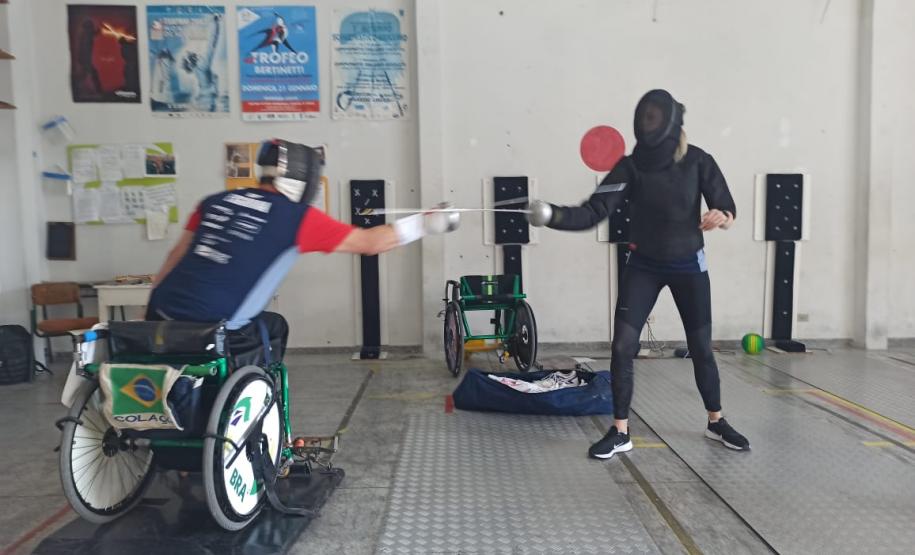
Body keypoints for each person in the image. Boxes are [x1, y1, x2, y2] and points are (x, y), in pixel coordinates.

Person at [527, 89, 750, 459]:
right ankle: (620, 431)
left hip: (688, 266)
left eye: (654, 119)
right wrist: (552, 215)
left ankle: (716, 422)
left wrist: (721, 217)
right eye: (645, 118)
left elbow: (727, 207)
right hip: (644, 264)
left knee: (700, 350)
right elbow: (592, 211)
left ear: (670, 124)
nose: (648, 124)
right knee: (622, 347)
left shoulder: (698, 162)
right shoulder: (630, 167)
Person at [146, 139, 458, 367]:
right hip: (215, 330)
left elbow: (175, 256)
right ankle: (260, 404)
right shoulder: (295, 217)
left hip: (160, 316)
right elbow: (371, 243)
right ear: (301, 180)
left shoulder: (214, 201)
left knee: (271, 323)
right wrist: (427, 223)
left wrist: (147, 313)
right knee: (274, 327)